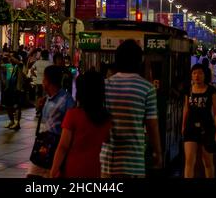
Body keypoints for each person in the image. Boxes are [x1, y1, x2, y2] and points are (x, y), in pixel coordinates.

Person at [100, 39, 162, 178]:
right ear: (139, 61)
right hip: (134, 160)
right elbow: (152, 125)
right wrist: (157, 152)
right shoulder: (147, 88)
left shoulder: (105, 85)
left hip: (107, 159)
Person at [50, 71, 111, 178]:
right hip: (97, 169)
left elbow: (63, 147)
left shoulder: (73, 115)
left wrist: (53, 171)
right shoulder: (107, 118)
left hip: (73, 169)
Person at [27, 65, 75, 178]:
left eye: (44, 78)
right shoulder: (48, 98)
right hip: (44, 146)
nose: (42, 81)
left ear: (48, 81)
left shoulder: (66, 101)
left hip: (56, 147)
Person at [182, 64, 216, 178]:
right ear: (191, 76)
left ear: (204, 75)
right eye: (194, 73)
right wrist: (183, 126)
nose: (197, 75)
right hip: (191, 128)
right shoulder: (188, 90)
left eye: (200, 73)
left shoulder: (211, 90)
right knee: (189, 161)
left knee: (208, 163)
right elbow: (186, 108)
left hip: (207, 128)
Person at [3, 51, 24, 130]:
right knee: (8, 106)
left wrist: (9, 56)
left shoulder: (19, 65)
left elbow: (18, 63)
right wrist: (1, 58)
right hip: (9, 89)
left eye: (12, 57)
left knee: (17, 106)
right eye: (9, 57)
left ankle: (17, 123)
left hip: (17, 89)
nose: (10, 58)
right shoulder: (8, 66)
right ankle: (11, 121)